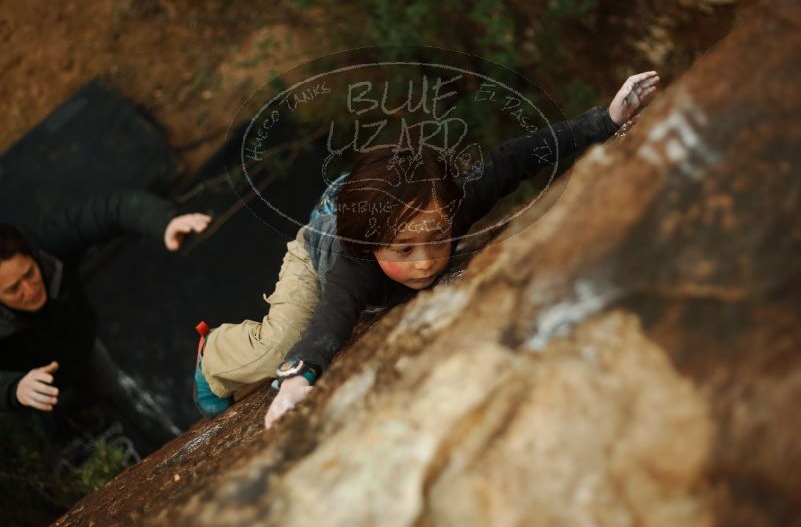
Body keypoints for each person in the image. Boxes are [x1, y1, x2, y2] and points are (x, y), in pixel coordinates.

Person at [192, 71, 660, 428]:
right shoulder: (355, 265)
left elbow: (516, 157)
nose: (426, 261)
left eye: (435, 240)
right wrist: (298, 378)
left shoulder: (450, 204)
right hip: (319, 249)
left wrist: (607, 120)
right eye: (405, 249)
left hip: (377, 208)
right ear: (377, 248)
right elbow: (330, 319)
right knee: (278, 342)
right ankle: (212, 354)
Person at [0, 189, 211, 453]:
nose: (29, 289)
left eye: (29, 274)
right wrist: (14, 389)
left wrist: (163, 220)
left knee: (136, 411)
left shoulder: (46, 243)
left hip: (82, 350)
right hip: (27, 393)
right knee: (60, 458)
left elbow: (110, 209)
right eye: (13, 289)